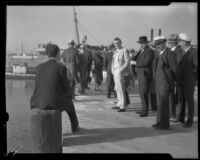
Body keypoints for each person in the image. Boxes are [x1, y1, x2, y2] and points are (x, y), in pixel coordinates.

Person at [30, 43, 80, 133]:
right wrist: (70, 95)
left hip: (37, 102)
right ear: (58, 54)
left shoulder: (38, 67)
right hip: (53, 102)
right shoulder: (60, 67)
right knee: (70, 104)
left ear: (47, 54)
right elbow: (66, 87)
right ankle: (75, 127)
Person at [152, 36, 177, 130]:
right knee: (159, 103)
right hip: (159, 81)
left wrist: (172, 82)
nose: (157, 46)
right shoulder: (160, 53)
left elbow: (174, 69)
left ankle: (165, 124)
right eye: (156, 45)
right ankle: (159, 122)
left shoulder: (169, 53)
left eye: (159, 44)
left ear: (164, 43)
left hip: (165, 82)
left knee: (164, 103)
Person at [176, 33, 197, 128]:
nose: (179, 43)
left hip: (189, 81)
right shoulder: (181, 52)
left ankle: (190, 120)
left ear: (185, 42)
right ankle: (181, 118)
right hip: (181, 81)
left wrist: (195, 79)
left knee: (189, 101)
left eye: (180, 41)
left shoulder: (194, 52)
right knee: (182, 100)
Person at [133, 36, 154, 117]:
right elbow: (133, 58)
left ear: (147, 43)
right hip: (140, 73)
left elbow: (146, 62)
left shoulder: (150, 51)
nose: (141, 45)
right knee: (141, 93)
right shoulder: (142, 50)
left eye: (143, 43)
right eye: (140, 43)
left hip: (145, 74)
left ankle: (145, 111)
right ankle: (143, 108)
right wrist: (138, 51)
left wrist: (135, 64)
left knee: (144, 92)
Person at [167, 34, 184, 122]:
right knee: (172, 97)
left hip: (176, 78)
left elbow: (177, 66)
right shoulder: (172, 50)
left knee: (178, 98)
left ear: (173, 43)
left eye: (169, 42)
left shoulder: (178, 51)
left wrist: (175, 79)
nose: (168, 44)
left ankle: (178, 116)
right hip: (172, 78)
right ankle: (172, 114)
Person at [111, 37, 130, 112]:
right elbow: (113, 62)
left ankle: (123, 105)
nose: (116, 44)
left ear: (121, 43)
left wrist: (121, 70)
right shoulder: (115, 51)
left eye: (118, 43)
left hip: (120, 71)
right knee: (117, 88)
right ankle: (119, 103)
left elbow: (127, 61)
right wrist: (112, 70)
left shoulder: (124, 50)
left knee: (121, 89)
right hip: (115, 71)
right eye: (115, 43)